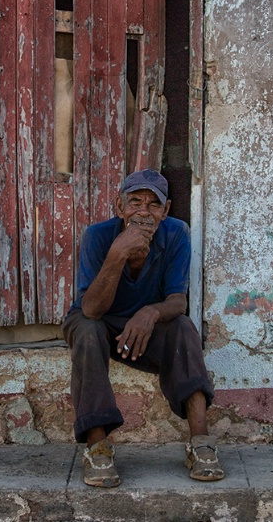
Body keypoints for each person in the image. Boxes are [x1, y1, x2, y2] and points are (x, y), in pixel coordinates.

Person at [62, 169, 224, 488]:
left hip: (145, 327)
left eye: (153, 205)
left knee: (183, 328)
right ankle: (98, 448)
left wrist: (150, 312)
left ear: (165, 211)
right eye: (135, 202)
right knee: (87, 329)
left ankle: (202, 443)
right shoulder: (98, 236)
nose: (143, 212)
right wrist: (118, 253)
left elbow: (177, 301)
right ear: (119, 207)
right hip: (99, 323)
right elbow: (92, 309)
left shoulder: (176, 233)